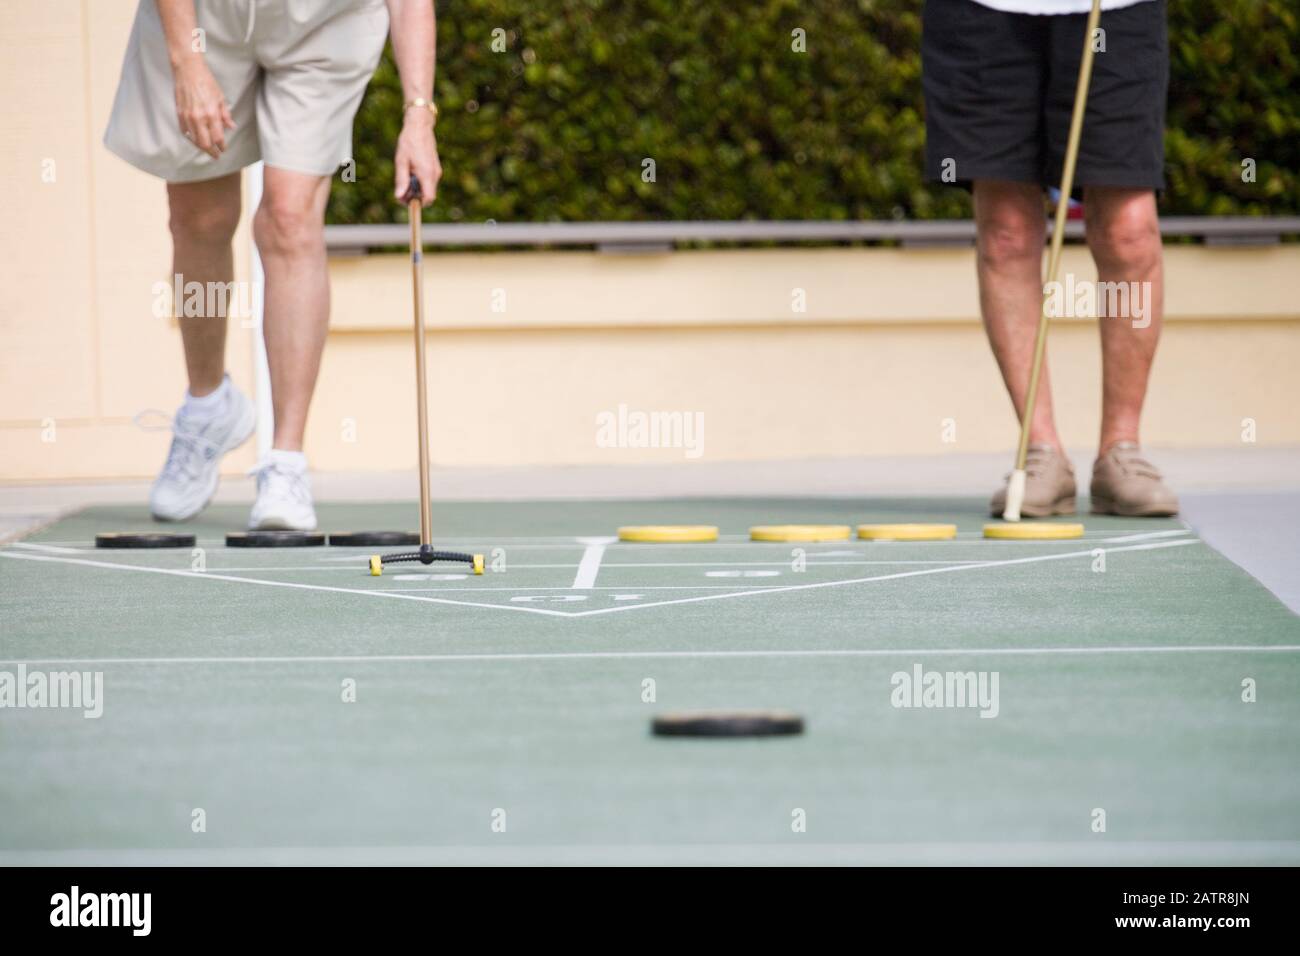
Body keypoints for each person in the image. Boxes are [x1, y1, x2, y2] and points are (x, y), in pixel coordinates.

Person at [104, 0, 441, 529]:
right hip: (207, 18)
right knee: (199, 216)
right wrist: (188, 63)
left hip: (326, 24)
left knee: (289, 216)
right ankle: (209, 404)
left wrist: (419, 114)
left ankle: (286, 462)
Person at [922, 0, 1180, 517]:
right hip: (982, 12)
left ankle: (1120, 453)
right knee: (1007, 234)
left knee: (1129, 230)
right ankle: (1041, 453)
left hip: (1112, 9)